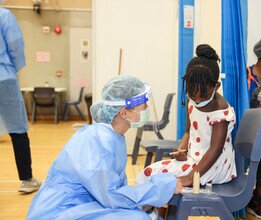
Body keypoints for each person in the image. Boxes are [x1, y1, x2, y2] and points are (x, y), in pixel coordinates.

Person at [27, 75, 182, 220]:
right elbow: (111, 195)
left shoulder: (114, 136)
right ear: (124, 113)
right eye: (144, 105)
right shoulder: (100, 139)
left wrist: (146, 199)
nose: (147, 108)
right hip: (60, 209)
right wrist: (161, 187)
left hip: (84, 202)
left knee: (141, 212)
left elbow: (114, 190)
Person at [136, 45, 237, 187]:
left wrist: (190, 177)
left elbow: (215, 150)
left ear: (216, 86)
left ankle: (148, 208)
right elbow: (188, 132)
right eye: (192, 94)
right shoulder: (191, 102)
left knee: (157, 179)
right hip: (194, 160)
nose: (197, 100)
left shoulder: (220, 113)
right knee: (150, 174)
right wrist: (181, 149)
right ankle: (148, 209)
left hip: (214, 166)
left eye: (203, 96)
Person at [0, 7, 41, 193]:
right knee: (18, 130)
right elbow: (15, 45)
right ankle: (27, 179)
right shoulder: (4, 15)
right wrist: (11, 70)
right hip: (3, 77)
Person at [246, 36, 261, 219]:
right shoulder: (260, 88)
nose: (254, 66)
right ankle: (257, 196)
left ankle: (259, 199)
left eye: (257, 61)